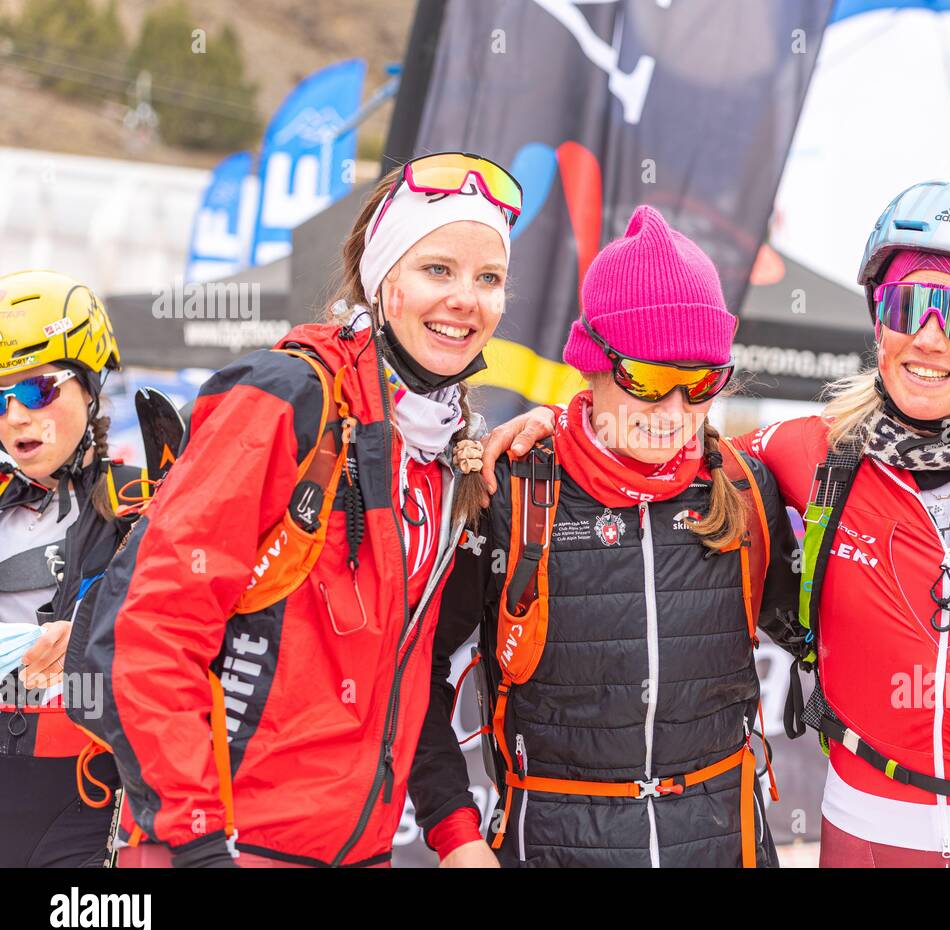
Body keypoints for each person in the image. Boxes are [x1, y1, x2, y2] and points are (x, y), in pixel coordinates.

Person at [483, 180, 950, 867]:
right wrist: (569, 421)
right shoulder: (808, 453)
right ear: (877, 321)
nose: (927, 336)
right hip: (865, 836)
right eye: (905, 306)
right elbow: (671, 446)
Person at [66, 152, 521, 868]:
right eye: (438, 269)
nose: (466, 298)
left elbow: (409, 674)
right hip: (227, 846)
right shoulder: (289, 395)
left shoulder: (440, 445)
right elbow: (148, 628)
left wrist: (455, 829)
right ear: (383, 278)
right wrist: (197, 840)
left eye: (487, 278)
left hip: (357, 851)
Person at [410, 205, 802, 867]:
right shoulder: (508, 491)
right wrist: (455, 835)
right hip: (555, 845)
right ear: (594, 365)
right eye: (648, 380)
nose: (674, 412)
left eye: (700, 381)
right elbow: (415, 676)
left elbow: (830, 640)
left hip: (723, 842)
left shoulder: (743, 489)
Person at [0, 271, 136, 867]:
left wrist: (92, 622)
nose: (16, 417)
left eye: (36, 390)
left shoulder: (147, 499)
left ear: (89, 386)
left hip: (83, 801)